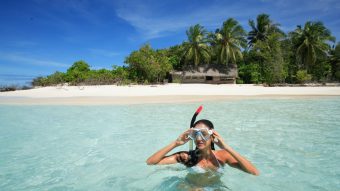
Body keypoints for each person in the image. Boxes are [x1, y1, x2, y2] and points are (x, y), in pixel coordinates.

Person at [146, 119, 259, 176]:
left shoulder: (222, 156)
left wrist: (226, 147)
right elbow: (151, 162)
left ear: (212, 135)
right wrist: (176, 143)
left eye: (204, 134)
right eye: (195, 134)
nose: (199, 139)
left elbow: (254, 172)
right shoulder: (187, 157)